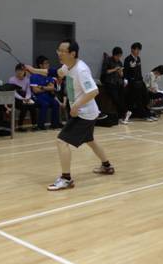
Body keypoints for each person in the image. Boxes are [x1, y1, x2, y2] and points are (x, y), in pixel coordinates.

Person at [25, 39, 115, 190]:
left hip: (84, 113)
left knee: (61, 141)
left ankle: (66, 179)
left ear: (72, 53)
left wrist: (76, 106)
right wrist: (34, 70)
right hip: (88, 112)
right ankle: (107, 166)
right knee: (90, 140)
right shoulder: (68, 66)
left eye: (62, 51)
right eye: (58, 50)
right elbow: (55, 72)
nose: (59, 53)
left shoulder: (81, 70)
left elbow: (94, 91)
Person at [124, 42, 156, 121]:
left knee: (146, 97)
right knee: (138, 100)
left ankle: (148, 114)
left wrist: (142, 81)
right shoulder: (128, 59)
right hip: (133, 83)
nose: (138, 51)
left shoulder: (138, 59)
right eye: (136, 49)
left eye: (139, 50)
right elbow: (126, 72)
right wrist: (127, 81)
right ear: (132, 50)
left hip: (140, 82)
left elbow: (139, 71)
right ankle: (145, 116)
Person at [30, 56, 62, 130]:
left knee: (55, 103)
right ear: (40, 65)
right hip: (37, 97)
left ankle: (54, 124)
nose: (48, 65)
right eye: (46, 63)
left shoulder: (49, 75)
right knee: (45, 104)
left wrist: (41, 87)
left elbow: (52, 87)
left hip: (47, 96)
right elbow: (35, 90)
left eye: (48, 63)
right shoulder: (34, 76)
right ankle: (40, 125)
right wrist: (47, 88)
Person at [101, 46, 129, 123]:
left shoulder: (120, 62)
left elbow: (122, 75)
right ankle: (125, 112)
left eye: (120, 56)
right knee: (116, 98)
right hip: (109, 82)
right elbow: (105, 72)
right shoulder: (108, 60)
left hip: (118, 83)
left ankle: (121, 116)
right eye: (118, 56)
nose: (119, 58)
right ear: (114, 55)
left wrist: (120, 72)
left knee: (122, 97)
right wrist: (115, 69)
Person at [8, 63, 37, 132]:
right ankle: (20, 126)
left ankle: (34, 125)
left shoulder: (27, 80)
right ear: (15, 71)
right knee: (24, 106)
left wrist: (27, 98)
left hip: (25, 98)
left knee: (32, 105)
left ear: (24, 71)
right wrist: (22, 99)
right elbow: (13, 92)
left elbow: (28, 91)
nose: (19, 72)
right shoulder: (12, 80)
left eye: (21, 70)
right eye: (18, 70)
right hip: (16, 98)